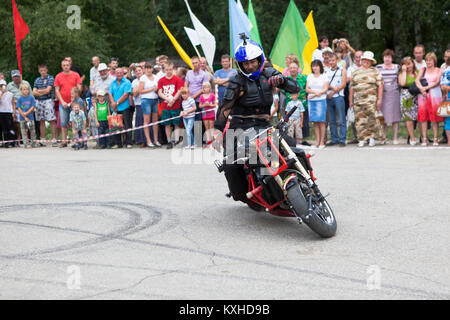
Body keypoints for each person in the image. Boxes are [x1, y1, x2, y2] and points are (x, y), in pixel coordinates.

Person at [214, 37, 300, 203]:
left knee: (290, 144)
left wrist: (282, 80)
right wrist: (218, 132)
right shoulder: (236, 81)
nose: (250, 66)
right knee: (231, 164)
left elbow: (295, 88)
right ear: (240, 65)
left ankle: (300, 181)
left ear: (259, 59)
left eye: (253, 62)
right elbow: (225, 109)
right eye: (246, 64)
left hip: (263, 125)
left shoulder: (269, 73)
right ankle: (242, 193)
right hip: (239, 127)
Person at [349, 51, 384, 147]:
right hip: (358, 100)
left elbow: (380, 86)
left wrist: (380, 99)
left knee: (372, 119)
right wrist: (350, 100)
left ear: (371, 62)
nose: (366, 61)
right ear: (361, 60)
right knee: (360, 120)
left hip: (371, 100)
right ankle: (361, 139)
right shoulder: (356, 72)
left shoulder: (375, 71)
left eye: (369, 60)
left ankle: (371, 138)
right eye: (365, 60)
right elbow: (352, 87)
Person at [416, 52, 444, 146]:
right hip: (423, 96)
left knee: (434, 118)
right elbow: (417, 80)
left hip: (435, 96)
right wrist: (421, 89)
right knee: (423, 118)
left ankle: (435, 138)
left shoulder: (439, 70)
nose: (428, 62)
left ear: (434, 61)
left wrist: (426, 88)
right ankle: (424, 139)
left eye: (430, 60)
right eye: (427, 60)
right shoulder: (422, 69)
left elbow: (437, 82)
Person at [54, 59, 82, 147]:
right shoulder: (58, 76)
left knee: (77, 121)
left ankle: (78, 140)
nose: (66, 67)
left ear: (70, 65)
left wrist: (74, 99)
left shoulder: (76, 75)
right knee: (63, 122)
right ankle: (64, 141)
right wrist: (62, 101)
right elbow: (57, 90)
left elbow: (79, 87)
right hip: (63, 103)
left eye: (67, 65)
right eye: (64, 65)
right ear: (62, 66)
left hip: (75, 103)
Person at [376, 49, 401, 144]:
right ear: (383, 57)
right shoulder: (378, 67)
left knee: (395, 116)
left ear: (392, 58)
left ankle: (395, 137)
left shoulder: (397, 67)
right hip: (383, 93)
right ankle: (383, 137)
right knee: (383, 117)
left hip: (394, 93)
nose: (387, 59)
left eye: (389, 57)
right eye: (386, 57)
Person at [158, 61, 184, 149]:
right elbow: (160, 92)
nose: (168, 71)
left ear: (173, 70)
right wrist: (167, 99)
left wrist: (173, 100)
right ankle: (169, 141)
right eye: (167, 70)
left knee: (176, 124)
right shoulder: (161, 80)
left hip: (175, 105)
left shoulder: (177, 79)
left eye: (170, 69)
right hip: (165, 106)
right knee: (167, 124)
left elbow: (179, 91)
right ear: (164, 70)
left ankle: (176, 140)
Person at [185, 56, 210, 147]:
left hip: (199, 100)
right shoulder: (189, 73)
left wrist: (194, 96)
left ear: (199, 63)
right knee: (189, 119)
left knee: (198, 120)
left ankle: (198, 141)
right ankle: (190, 141)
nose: (195, 64)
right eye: (193, 63)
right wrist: (187, 95)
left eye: (196, 63)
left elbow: (204, 88)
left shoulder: (204, 74)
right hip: (189, 101)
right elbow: (186, 84)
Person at [285, 61, 310, 146]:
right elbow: (283, 91)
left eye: (294, 68)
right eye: (291, 68)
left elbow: (307, 88)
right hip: (290, 105)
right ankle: (292, 141)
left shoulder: (303, 78)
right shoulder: (286, 79)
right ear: (288, 69)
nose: (292, 70)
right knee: (291, 124)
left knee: (303, 123)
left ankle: (302, 140)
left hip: (302, 104)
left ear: (298, 69)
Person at [306, 60, 329, 149]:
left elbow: (325, 89)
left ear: (320, 67)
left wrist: (315, 94)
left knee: (321, 121)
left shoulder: (324, 76)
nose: (315, 68)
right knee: (315, 122)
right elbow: (307, 89)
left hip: (321, 100)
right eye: (313, 66)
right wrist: (315, 93)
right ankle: (317, 141)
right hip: (311, 101)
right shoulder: (310, 76)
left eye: (317, 66)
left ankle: (322, 141)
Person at [326, 53, 347, 147]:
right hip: (329, 97)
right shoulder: (326, 71)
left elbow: (343, 84)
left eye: (333, 60)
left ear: (337, 60)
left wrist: (333, 92)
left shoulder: (342, 70)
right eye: (329, 61)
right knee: (331, 120)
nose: (331, 62)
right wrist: (331, 88)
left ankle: (342, 139)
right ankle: (334, 139)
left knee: (342, 119)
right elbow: (325, 84)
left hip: (338, 96)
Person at [33, 64, 57, 147]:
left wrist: (39, 91)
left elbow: (48, 90)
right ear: (39, 71)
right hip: (39, 101)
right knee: (41, 121)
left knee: (52, 120)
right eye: (41, 70)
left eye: (44, 70)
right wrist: (41, 91)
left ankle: (54, 139)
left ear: (47, 70)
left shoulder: (50, 78)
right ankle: (43, 139)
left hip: (48, 101)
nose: (43, 72)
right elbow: (34, 92)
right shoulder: (37, 80)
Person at [109, 68, 133, 148]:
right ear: (115, 73)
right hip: (115, 108)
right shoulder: (112, 83)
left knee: (127, 125)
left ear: (123, 73)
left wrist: (116, 103)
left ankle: (128, 142)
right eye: (117, 73)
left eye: (120, 72)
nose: (119, 74)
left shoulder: (127, 82)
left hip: (124, 107)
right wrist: (113, 103)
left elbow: (126, 95)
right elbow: (110, 94)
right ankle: (117, 143)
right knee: (115, 126)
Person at [7, 70, 32, 145]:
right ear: (12, 77)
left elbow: (31, 95)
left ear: (20, 76)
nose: (16, 78)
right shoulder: (9, 85)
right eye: (15, 76)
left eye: (17, 76)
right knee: (16, 126)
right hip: (15, 107)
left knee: (28, 125)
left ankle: (29, 140)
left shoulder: (26, 83)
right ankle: (16, 141)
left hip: (26, 106)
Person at [398, 56, 419, 145]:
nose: (408, 66)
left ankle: (423, 137)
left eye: (409, 64)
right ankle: (412, 138)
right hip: (406, 96)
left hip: (417, 96)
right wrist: (404, 71)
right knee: (409, 118)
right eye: (405, 64)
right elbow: (402, 83)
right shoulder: (402, 74)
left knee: (420, 117)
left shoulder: (417, 73)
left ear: (413, 63)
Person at [139, 63, 160, 148]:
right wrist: (152, 89)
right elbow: (141, 91)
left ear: (152, 69)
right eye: (146, 68)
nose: (148, 70)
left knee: (155, 121)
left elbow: (158, 88)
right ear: (144, 69)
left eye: (150, 68)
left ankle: (155, 140)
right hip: (146, 100)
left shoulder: (156, 77)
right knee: (147, 121)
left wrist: (156, 90)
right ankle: (148, 140)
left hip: (155, 99)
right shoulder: (143, 78)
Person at [131, 65, 146, 148]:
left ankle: (149, 140)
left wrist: (139, 88)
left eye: (139, 70)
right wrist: (141, 86)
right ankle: (141, 141)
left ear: (142, 70)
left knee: (148, 121)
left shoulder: (147, 79)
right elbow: (135, 93)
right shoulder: (134, 82)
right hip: (138, 104)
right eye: (136, 71)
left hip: (147, 102)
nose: (138, 72)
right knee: (140, 122)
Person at [0, 80, 16, 148]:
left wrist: (14, 112)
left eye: (3, 86)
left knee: (11, 127)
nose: (2, 87)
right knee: (4, 128)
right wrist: (2, 94)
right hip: (1, 112)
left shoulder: (10, 94)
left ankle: (12, 142)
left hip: (9, 112)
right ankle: (6, 142)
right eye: (0, 86)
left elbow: (13, 103)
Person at [440, 56, 450, 146]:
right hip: (448, 96)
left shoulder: (445, 71)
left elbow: (443, 86)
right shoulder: (448, 71)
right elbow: (444, 87)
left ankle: (449, 141)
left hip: (447, 97)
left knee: (448, 120)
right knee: (448, 120)